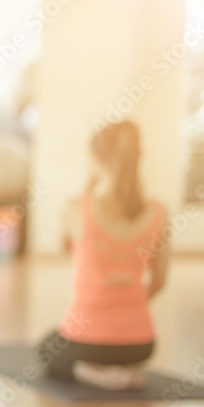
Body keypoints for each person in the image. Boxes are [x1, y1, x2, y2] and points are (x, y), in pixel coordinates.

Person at [38, 120, 170, 389]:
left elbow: (63, 247)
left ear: (95, 159)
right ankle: (127, 368)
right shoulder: (159, 213)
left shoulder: (76, 208)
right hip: (141, 344)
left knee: (47, 349)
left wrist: (90, 183)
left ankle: (91, 371)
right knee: (113, 348)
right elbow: (159, 282)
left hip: (88, 341)